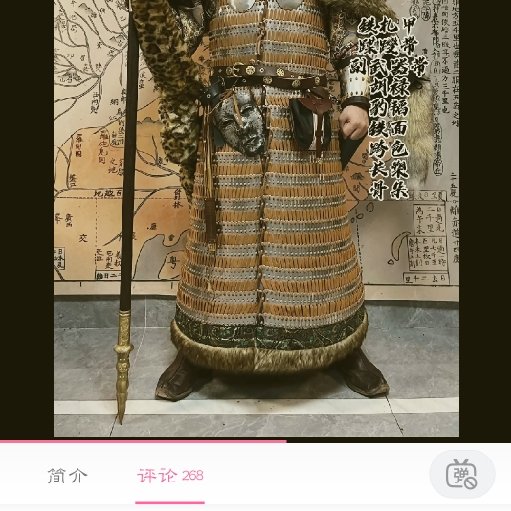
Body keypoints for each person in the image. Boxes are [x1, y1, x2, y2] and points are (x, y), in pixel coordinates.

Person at [131, 0, 433, 401]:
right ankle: (197, 349)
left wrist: (357, 99)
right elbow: (176, 41)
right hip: (230, 123)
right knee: (220, 239)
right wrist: (149, 10)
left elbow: (351, 42)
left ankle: (342, 345)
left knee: (318, 240)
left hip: (306, 122)